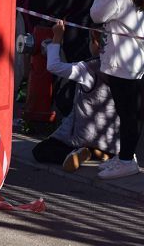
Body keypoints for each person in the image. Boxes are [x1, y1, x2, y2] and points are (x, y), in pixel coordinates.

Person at [89, 0, 144, 180]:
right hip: (137, 61)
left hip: (121, 64)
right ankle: (125, 155)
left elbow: (96, 14)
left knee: (127, 113)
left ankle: (127, 160)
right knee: (128, 111)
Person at [32, 20, 119, 172]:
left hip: (83, 136)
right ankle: (99, 153)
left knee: (40, 151)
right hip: (112, 140)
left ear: (95, 42)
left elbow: (53, 66)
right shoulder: (124, 70)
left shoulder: (88, 68)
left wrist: (57, 37)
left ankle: (80, 153)